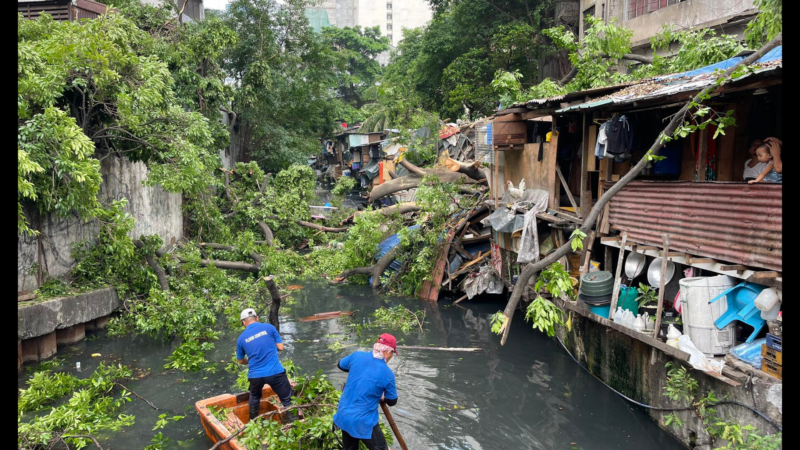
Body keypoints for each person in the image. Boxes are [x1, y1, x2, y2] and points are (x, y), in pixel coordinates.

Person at [333, 334, 399, 450]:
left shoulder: (357, 356)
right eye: (393, 353)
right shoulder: (387, 374)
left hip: (344, 415)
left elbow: (340, 365)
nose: (391, 356)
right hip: (363, 422)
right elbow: (392, 401)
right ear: (388, 352)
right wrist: (382, 397)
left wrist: (357, 371)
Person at [236, 308, 297, 423]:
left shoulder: (241, 339)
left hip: (255, 376)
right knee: (288, 399)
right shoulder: (269, 328)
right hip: (275, 372)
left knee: (254, 397)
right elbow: (281, 347)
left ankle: (253, 424)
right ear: (257, 318)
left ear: (244, 322)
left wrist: (250, 361)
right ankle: (295, 424)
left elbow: (240, 361)